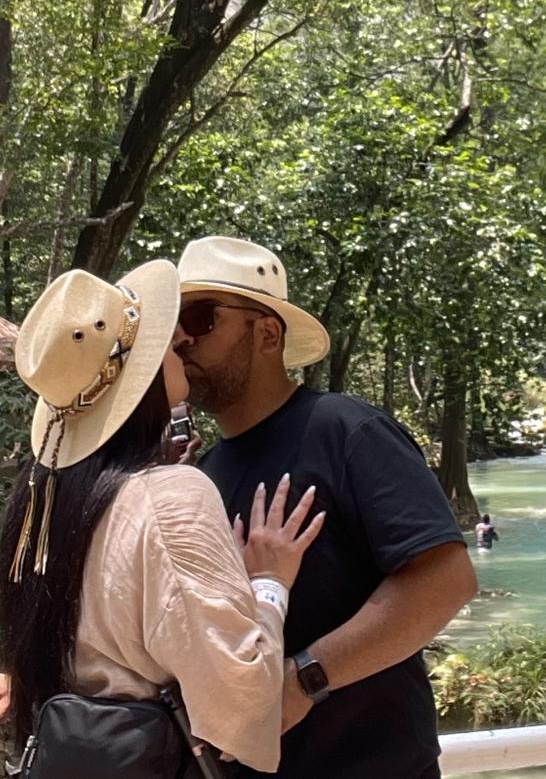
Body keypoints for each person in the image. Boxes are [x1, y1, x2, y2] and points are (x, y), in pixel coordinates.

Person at [0, 260, 324, 772]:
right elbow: (242, 705)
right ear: (140, 374)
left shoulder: (42, 494)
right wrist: (269, 584)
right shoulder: (172, 497)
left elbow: (92, 652)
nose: (181, 341)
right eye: (166, 342)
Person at [176, 235, 478, 779]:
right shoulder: (201, 476)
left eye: (200, 318)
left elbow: (446, 582)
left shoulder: (346, 431)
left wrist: (304, 679)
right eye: (174, 323)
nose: (180, 339)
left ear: (267, 333)